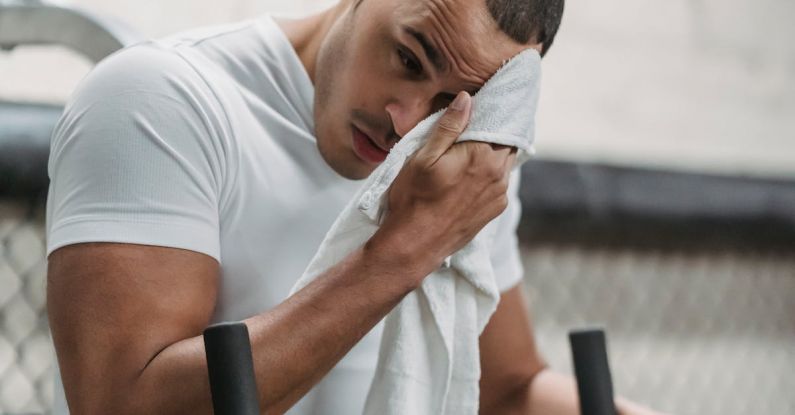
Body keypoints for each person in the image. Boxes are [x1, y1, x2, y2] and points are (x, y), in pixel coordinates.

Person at [46, 0, 659, 413]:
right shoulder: (161, 99)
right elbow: (124, 405)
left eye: (452, 102)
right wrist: (405, 250)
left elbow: (507, 391)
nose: (406, 122)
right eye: (409, 59)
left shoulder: (460, 162)